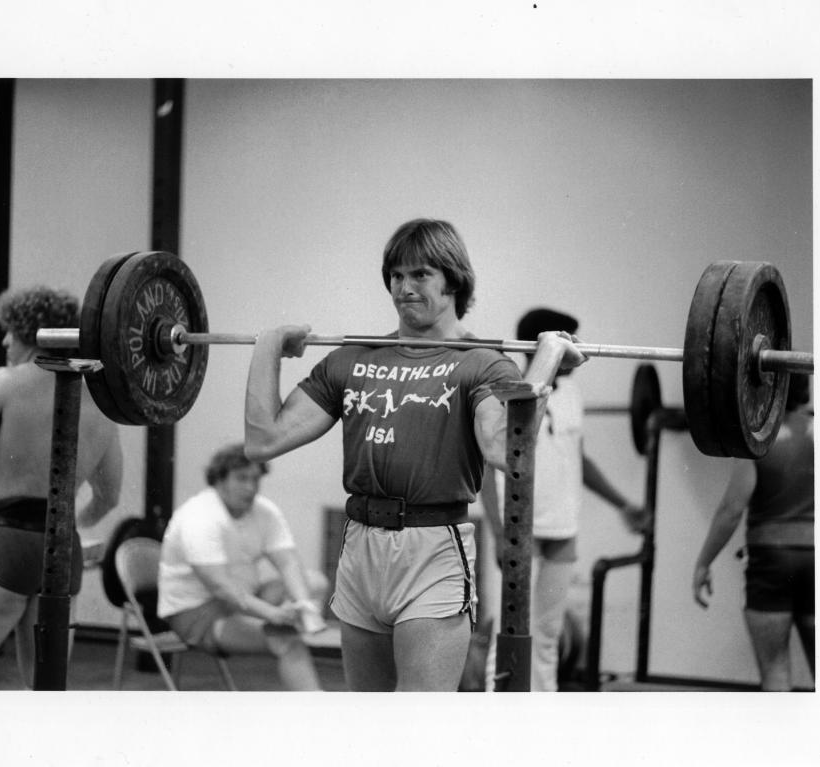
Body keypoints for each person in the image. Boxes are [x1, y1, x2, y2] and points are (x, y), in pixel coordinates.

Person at [243, 218, 587, 691]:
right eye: (397, 276)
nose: (404, 288)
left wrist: (545, 359)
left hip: (432, 549)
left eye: (420, 275)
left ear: (453, 281)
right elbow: (263, 440)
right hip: (360, 545)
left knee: (420, 724)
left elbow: (507, 450)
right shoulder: (352, 359)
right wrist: (268, 348)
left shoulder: (482, 363)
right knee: (369, 722)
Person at [0, 286, 123, 690]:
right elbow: (109, 496)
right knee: (44, 697)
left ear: (31, 333)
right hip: (62, 554)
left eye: (10, 332)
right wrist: (70, 526)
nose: (4, 341)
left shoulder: (3, 383)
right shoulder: (101, 400)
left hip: (5, 543)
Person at [480, 307, 645, 692]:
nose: (577, 350)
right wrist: (499, 530)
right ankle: (496, 715)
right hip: (521, 528)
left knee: (548, 633)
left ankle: (543, 716)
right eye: (568, 340)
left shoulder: (571, 392)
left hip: (563, 530)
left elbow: (579, 459)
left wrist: (623, 504)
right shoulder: (509, 389)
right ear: (544, 344)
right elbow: (487, 470)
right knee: (509, 633)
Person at [158, 443, 329, 691]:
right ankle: (317, 714)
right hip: (198, 613)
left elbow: (288, 561)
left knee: (314, 582)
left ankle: (288, 622)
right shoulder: (199, 516)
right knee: (287, 641)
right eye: (241, 478)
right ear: (219, 479)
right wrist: (272, 615)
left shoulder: (264, 511)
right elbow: (220, 587)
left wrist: (304, 604)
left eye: (255, 479)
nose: (250, 488)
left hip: (243, 597)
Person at [692, 373, 813, 691]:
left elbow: (732, 509)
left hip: (771, 561)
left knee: (775, 671)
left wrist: (703, 562)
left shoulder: (759, 440)